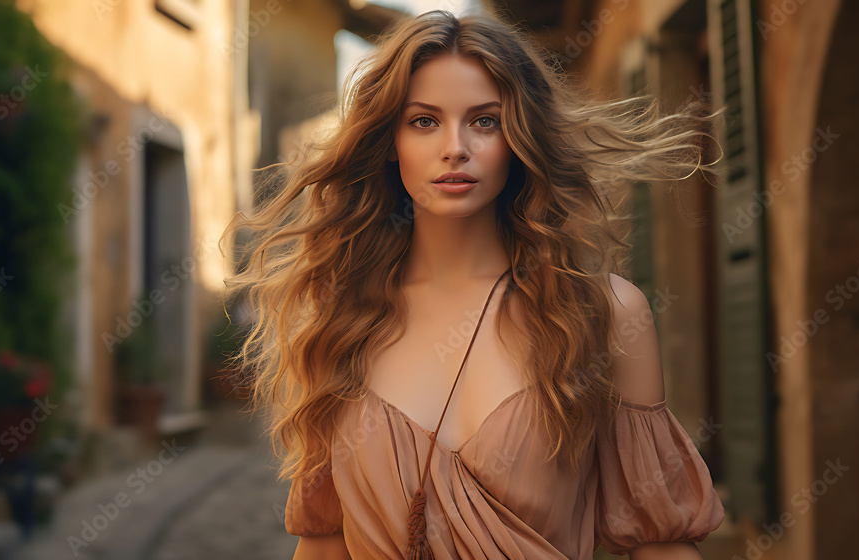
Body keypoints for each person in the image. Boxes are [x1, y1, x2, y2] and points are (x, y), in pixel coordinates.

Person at [220, 8, 726, 560]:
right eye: (424, 121)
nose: (454, 147)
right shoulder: (339, 316)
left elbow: (663, 545)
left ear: (520, 136)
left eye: (485, 120)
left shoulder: (603, 312)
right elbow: (323, 543)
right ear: (390, 140)